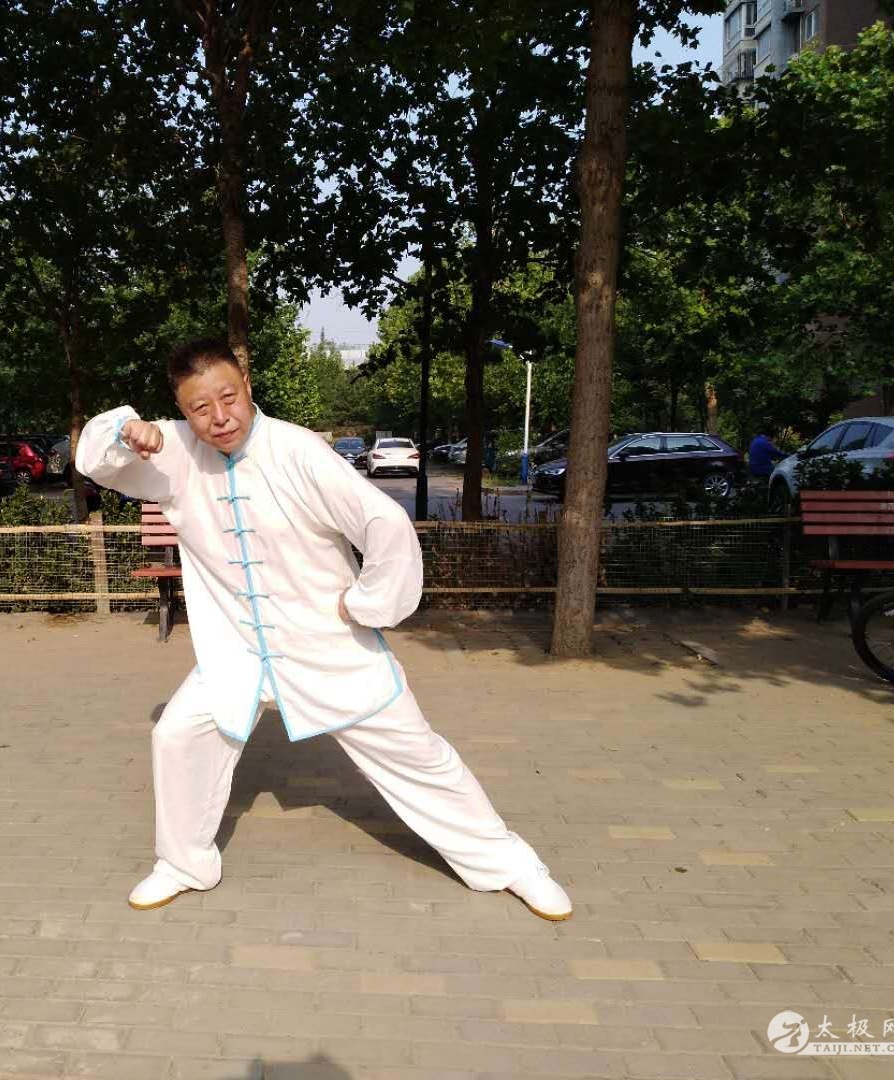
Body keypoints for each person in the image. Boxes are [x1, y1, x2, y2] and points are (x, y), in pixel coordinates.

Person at [75, 338, 572, 921]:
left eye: (228, 398)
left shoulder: (298, 451)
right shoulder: (177, 450)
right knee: (178, 736)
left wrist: (368, 603)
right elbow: (94, 459)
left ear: (247, 388)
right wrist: (125, 431)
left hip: (328, 649)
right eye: (199, 408)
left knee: (416, 754)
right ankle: (185, 864)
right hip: (236, 651)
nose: (219, 417)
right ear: (182, 412)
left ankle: (508, 864)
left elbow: (383, 521)